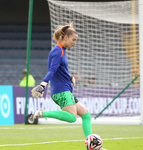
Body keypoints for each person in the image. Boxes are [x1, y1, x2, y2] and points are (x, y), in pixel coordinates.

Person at [30, 22, 106, 150]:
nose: (74, 42)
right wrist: (42, 85)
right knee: (72, 117)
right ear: (65, 37)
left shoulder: (61, 50)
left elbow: (59, 70)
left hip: (65, 90)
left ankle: (91, 146)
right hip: (61, 91)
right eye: (73, 40)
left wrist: (69, 77)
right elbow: (52, 70)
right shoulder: (57, 51)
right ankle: (42, 113)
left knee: (86, 115)